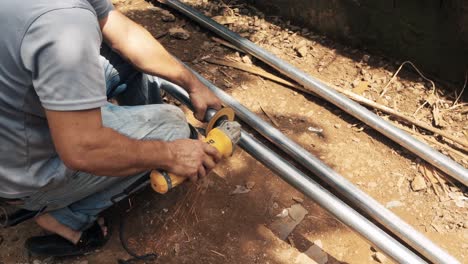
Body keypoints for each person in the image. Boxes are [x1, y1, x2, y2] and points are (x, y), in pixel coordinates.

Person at [0, 0, 222, 257]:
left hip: (16, 123)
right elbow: (82, 151)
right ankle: (67, 216)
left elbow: (124, 33)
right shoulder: (64, 21)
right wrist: (171, 153)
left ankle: (140, 142)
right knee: (175, 127)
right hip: (21, 176)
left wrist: (191, 83)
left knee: (119, 56)